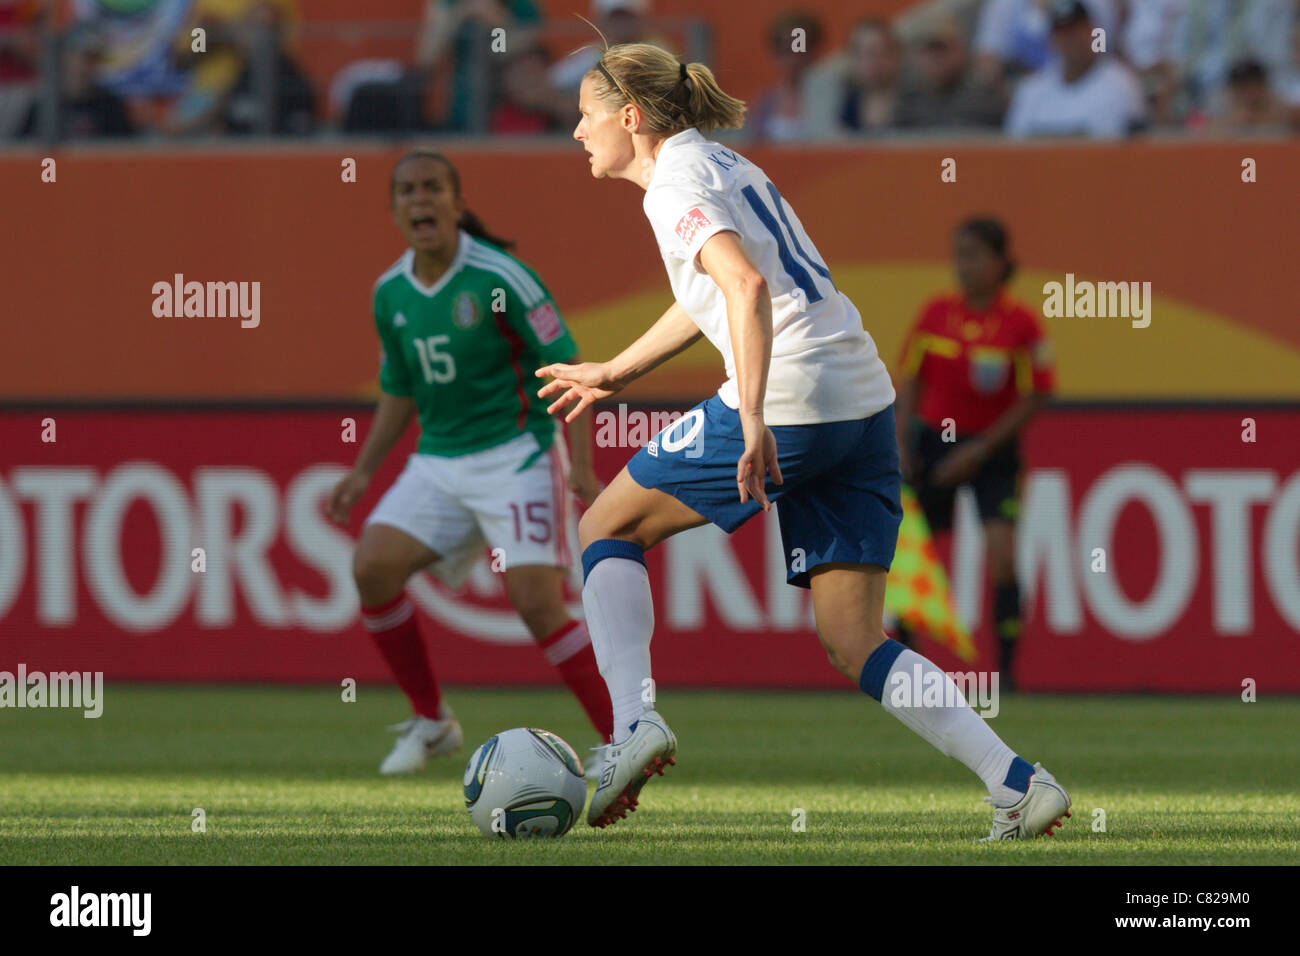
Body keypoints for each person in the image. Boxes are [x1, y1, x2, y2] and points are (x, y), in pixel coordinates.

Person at [540, 41, 1072, 839]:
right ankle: (1018, 783)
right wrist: (619, 369)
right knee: (854, 638)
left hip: (790, 398)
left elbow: (745, 287)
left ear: (630, 116)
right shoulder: (721, 163)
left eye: (585, 116)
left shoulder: (676, 183)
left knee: (604, 527)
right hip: (857, 399)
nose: (577, 132)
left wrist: (752, 418)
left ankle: (631, 728)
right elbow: (714, 290)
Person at [327, 149, 613, 775]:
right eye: (406, 191)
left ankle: (622, 740)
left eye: (432, 189)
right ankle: (431, 722)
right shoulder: (391, 292)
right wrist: (363, 472)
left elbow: (573, 370)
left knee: (536, 602)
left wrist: (583, 469)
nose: (419, 200)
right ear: (394, 209)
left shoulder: (501, 277)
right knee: (372, 567)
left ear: (457, 204)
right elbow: (400, 390)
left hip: (517, 453)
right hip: (440, 460)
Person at [895, 218, 1054, 693]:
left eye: (974, 255)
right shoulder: (935, 314)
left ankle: (1007, 673)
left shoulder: (1020, 322)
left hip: (992, 452)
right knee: (914, 556)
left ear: (1001, 262)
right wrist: (903, 447)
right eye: (958, 255)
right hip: (932, 447)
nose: (963, 266)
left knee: (1003, 556)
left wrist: (981, 449)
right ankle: (904, 666)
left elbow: (1037, 393)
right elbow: (911, 382)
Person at [1004, 0, 1147, 139]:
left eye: (1078, 30)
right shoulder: (1031, 91)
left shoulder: (1119, 86)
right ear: (1052, 38)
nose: (1072, 40)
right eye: (1063, 32)